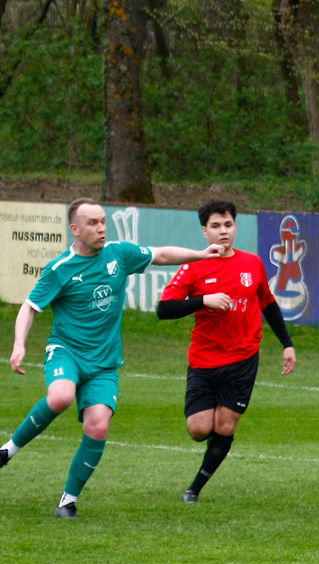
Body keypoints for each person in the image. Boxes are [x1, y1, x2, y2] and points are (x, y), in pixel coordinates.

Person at [1, 198, 224, 518]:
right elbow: (29, 307)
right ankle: (8, 451)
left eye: (103, 221)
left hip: (104, 363)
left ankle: (67, 501)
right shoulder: (60, 269)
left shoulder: (120, 253)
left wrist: (200, 255)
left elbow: (160, 254)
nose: (101, 228)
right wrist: (19, 344)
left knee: (98, 427)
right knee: (61, 396)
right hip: (67, 351)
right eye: (92, 223)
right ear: (75, 229)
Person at [157, 201, 297, 503]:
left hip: (243, 358)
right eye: (216, 226)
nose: (224, 232)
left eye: (228, 225)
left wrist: (287, 344)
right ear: (204, 231)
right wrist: (203, 300)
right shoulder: (193, 266)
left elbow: (268, 304)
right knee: (198, 429)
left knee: (225, 425)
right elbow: (164, 309)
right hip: (204, 360)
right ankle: (201, 471)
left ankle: (194, 489)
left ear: (235, 227)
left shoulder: (252, 263)